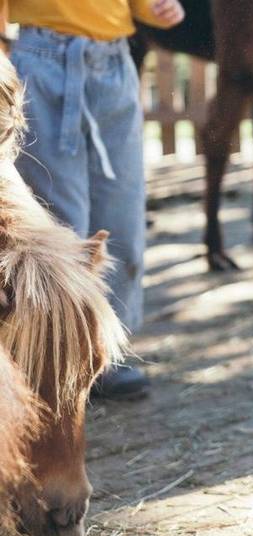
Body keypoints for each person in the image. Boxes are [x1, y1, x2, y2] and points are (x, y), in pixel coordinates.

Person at [0, 0, 186, 399]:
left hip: (114, 63)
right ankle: (55, 354)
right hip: (43, 62)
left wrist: (157, 8)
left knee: (123, 220)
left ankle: (110, 352)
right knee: (63, 221)